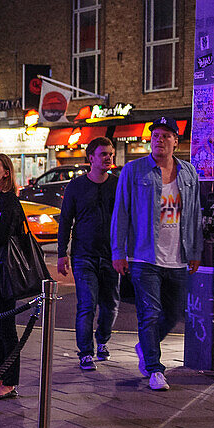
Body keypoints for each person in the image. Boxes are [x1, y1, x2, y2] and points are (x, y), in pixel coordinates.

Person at [112, 117, 202, 391]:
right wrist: (119, 251)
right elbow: (121, 212)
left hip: (178, 256)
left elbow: (195, 214)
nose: (159, 139)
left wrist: (195, 250)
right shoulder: (133, 170)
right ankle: (154, 368)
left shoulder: (188, 173)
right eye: (155, 135)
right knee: (149, 313)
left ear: (176, 141)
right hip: (144, 256)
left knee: (173, 313)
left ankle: (145, 345)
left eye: (166, 135)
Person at [58, 137, 120, 371]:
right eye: (103, 154)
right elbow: (65, 220)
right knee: (86, 304)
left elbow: (127, 217)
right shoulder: (76, 186)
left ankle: (102, 340)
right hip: (84, 254)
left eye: (111, 154)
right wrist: (62, 252)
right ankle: (85, 352)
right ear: (91, 158)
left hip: (113, 255)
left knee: (111, 305)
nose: (108, 158)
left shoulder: (118, 184)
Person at [0, 153, 27, 400]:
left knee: (5, 328)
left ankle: (10, 381)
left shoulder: (8, 202)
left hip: (4, 272)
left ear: (7, 172)